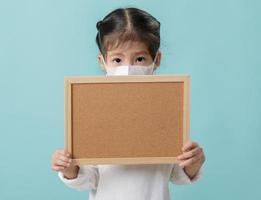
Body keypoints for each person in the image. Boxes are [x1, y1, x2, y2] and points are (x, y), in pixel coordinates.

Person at [51, 7, 206, 200]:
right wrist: (70, 168)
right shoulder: (94, 110)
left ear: (156, 60)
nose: (128, 68)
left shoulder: (166, 108)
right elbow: (90, 178)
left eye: (140, 59)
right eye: (117, 59)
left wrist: (193, 163)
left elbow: (175, 173)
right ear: (103, 62)